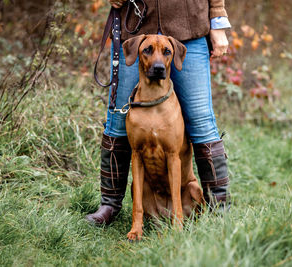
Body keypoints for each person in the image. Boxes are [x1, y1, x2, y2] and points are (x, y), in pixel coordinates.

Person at [86, 0, 232, 225]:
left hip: (189, 27)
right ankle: (109, 204)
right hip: (136, 28)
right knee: (117, 118)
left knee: (201, 121)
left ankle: (220, 209)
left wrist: (218, 22)